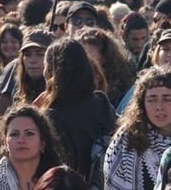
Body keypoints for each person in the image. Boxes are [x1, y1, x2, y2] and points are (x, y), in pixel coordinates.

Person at [36, 37, 115, 180]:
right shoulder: (101, 102)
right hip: (109, 188)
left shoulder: (51, 117)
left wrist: (35, 114)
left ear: (51, 72)